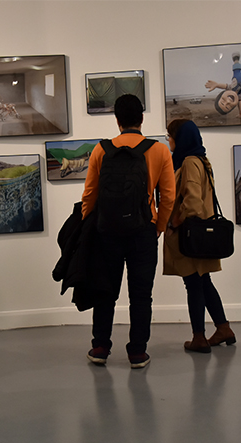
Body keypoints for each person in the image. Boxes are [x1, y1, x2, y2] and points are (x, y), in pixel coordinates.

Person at [81, 94, 175, 369]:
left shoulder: (102, 150)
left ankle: (100, 347)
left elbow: (89, 194)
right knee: (141, 294)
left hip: (107, 231)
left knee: (105, 291)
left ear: (117, 120)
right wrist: (157, 226)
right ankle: (137, 352)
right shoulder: (158, 151)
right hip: (143, 231)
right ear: (141, 118)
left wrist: (90, 225)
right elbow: (167, 196)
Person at [162, 119, 236, 353]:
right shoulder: (200, 160)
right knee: (203, 281)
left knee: (193, 283)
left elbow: (192, 202)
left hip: (190, 235)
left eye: (170, 135)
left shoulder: (190, 162)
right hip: (200, 233)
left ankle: (199, 337)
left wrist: (175, 222)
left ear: (180, 138)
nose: (168, 140)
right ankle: (223, 328)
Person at [205, 52, 241, 119]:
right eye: (228, 106)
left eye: (223, 101)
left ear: (222, 94)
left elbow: (225, 86)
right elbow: (240, 104)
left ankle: (236, 60)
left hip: (236, 76)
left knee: (237, 70)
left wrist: (216, 85)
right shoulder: (239, 95)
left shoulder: (231, 88)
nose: (228, 101)